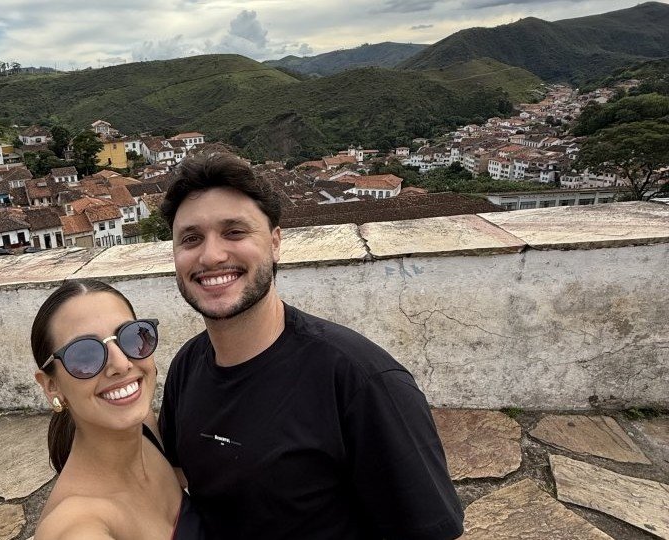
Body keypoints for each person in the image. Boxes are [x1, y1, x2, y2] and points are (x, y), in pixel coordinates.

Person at [158, 153, 464, 539]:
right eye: (191, 238)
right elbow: (177, 476)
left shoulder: (359, 381)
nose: (211, 255)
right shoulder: (187, 365)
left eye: (234, 232)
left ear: (275, 243)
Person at [31, 279, 205, 539]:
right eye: (85, 354)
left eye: (132, 336)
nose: (122, 364)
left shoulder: (144, 429)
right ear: (51, 386)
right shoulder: (74, 525)